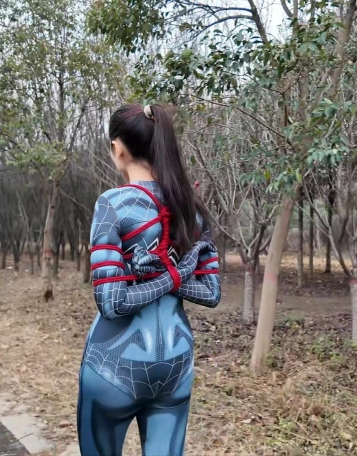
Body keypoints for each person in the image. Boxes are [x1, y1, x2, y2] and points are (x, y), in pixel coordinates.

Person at [77, 103, 222, 456]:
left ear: (118, 148)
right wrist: (177, 273)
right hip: (176, 363)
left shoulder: (112, 203)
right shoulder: (191, 207)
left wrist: (160, 274)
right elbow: (211, 293)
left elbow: (112, 304)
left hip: (112, 364)